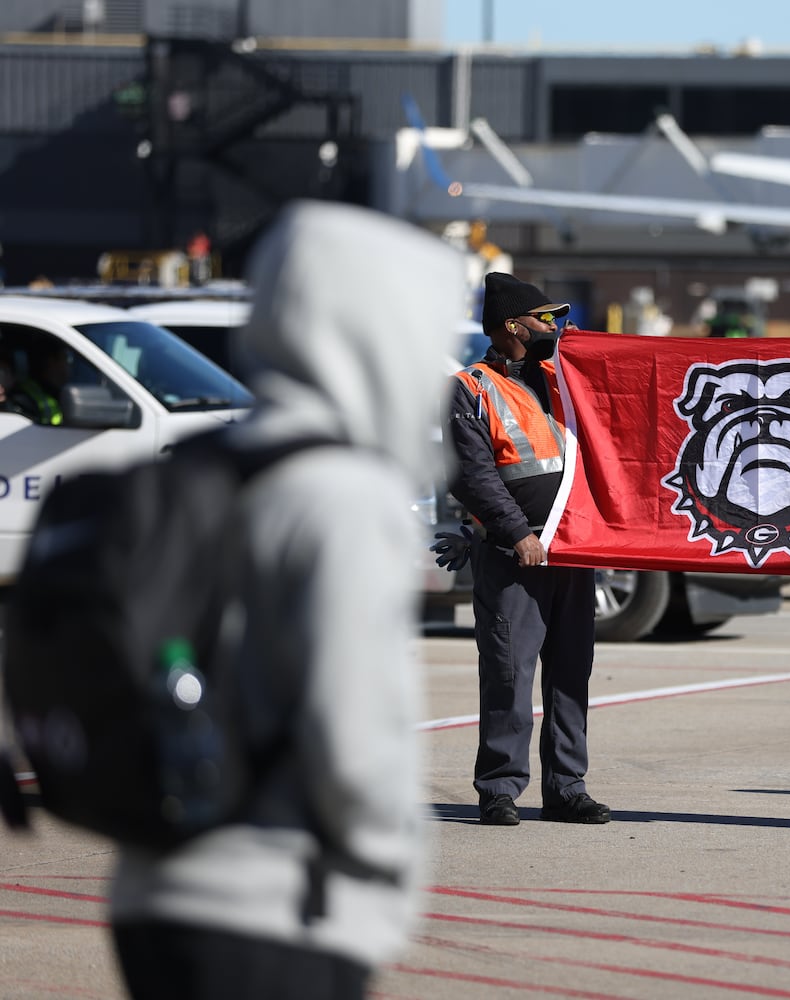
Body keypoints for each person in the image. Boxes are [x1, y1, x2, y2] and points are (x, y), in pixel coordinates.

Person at [109, 201, 466, 998]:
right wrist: (382, 859)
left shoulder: (201, 463)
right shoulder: (343, 495)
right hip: (278, 908)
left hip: (152, 893)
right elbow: (351, 725)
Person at [446, 271, 610, 827]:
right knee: (509, 674)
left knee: (571, 671)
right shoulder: (470, 387)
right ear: (514, 325)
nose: (554, 327)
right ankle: (499, 788)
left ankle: (567, 788)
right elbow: (472, 475)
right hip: (515, 553)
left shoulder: (566, 379)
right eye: (546, 318)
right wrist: (518, 532)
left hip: (572, 551)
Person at [12, 339, 68, 425]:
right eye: (65, 358)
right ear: (51, 361)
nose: (69, 364)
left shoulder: (56, 391)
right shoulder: (23, 398)